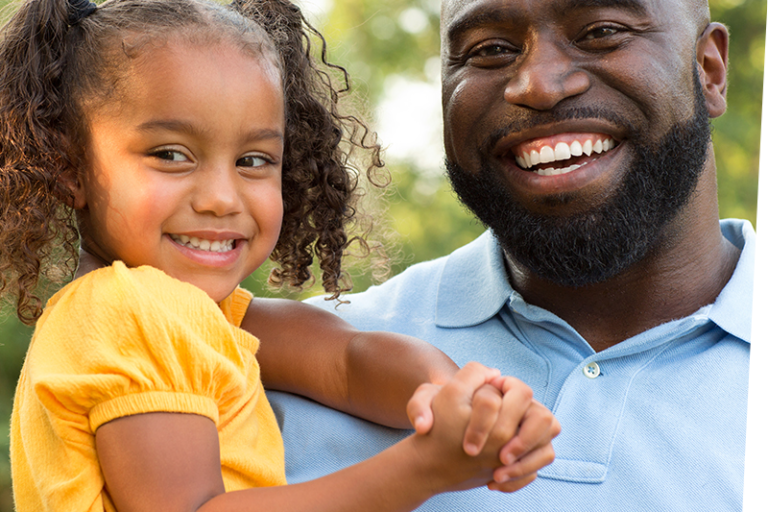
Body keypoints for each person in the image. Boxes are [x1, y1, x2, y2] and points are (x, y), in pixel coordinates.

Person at [0, 0, 563, 510]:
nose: (222, 198)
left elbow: (348, 362)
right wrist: (422, 468)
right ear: (69, 168)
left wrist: (459, 401)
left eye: (253, 160)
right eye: (171, 154)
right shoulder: (127, 314)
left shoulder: (192, 315)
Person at [264, 0, 752, 510]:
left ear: (709, 70)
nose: (537, 85)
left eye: (602, 31)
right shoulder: (256, 371)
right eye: (489, 49)